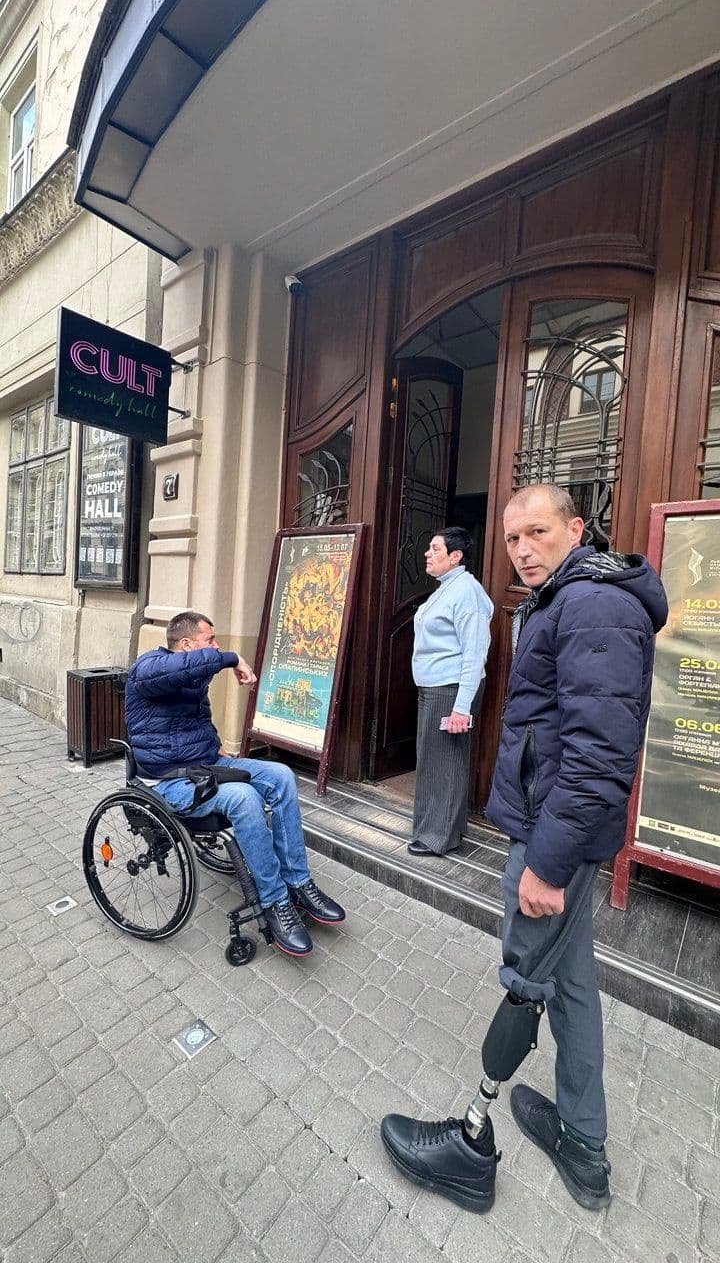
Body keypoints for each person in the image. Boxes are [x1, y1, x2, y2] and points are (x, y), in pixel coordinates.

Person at [381, 484, 667, 1212]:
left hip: (551, 838)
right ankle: (584, 1144)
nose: (522, 549)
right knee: (569, 984)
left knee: (527, 977)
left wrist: (548, 861)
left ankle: (471, 1146)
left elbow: (600, 756)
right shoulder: (564, 598)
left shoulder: (594, 603)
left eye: (537, 533)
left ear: (576, 528)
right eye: (512, 539)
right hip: (550, 828)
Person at [124, 610, 345, 958]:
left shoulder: (192, 675)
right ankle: (274, 902)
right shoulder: (148, 667)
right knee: (243, 797)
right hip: (169, 780)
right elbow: (178, 670)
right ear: (185, 645)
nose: (216, 645)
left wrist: (214, 745)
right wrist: (232, 659)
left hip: (207, 764)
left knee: (281, 776)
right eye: (209, 640)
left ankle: (298, 883)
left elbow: (191, 719)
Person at [409, 527, 493, 856]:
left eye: (435, 549)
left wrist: (462, 707)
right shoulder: (447, 588)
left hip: (451, 690)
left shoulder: (466, 592)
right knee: (436, 761)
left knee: (444, 763)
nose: (427, 554)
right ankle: (443, 830)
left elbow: (474, 653)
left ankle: (437, 838)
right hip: (436, 688)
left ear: (455, 556)